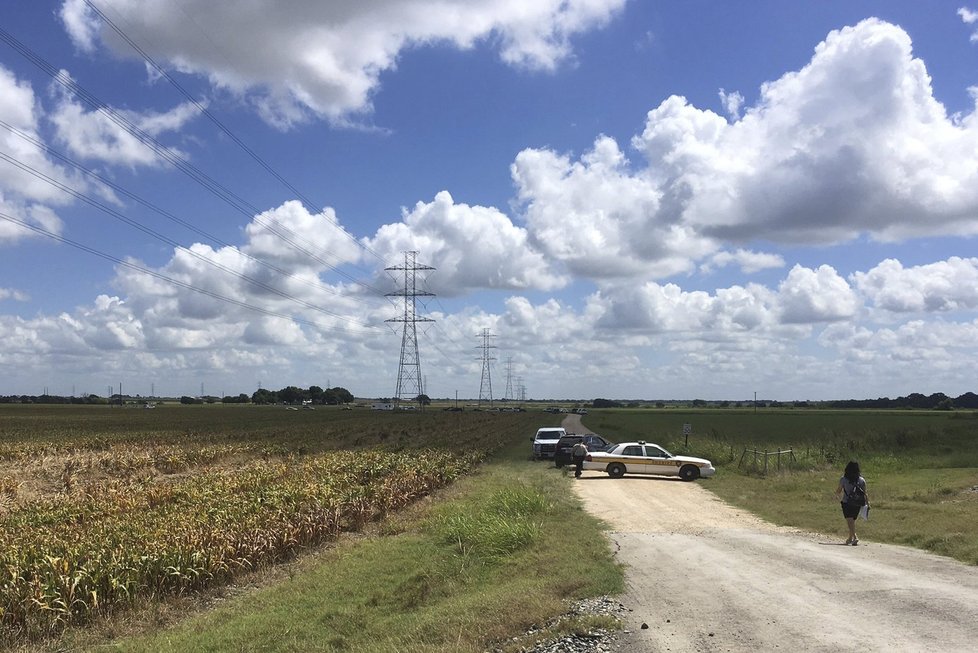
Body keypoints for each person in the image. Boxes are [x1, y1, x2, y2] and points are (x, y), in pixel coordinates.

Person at [835, 460, 869, 545]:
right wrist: (867, 503)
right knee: (852, 521)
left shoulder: (843, 479)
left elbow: (839, 490)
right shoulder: (862, 480)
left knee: (849, 520)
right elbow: (865, 492)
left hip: (847, 502)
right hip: (858, 502)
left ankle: (855, 537)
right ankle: (850, 538)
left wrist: (836, 495)